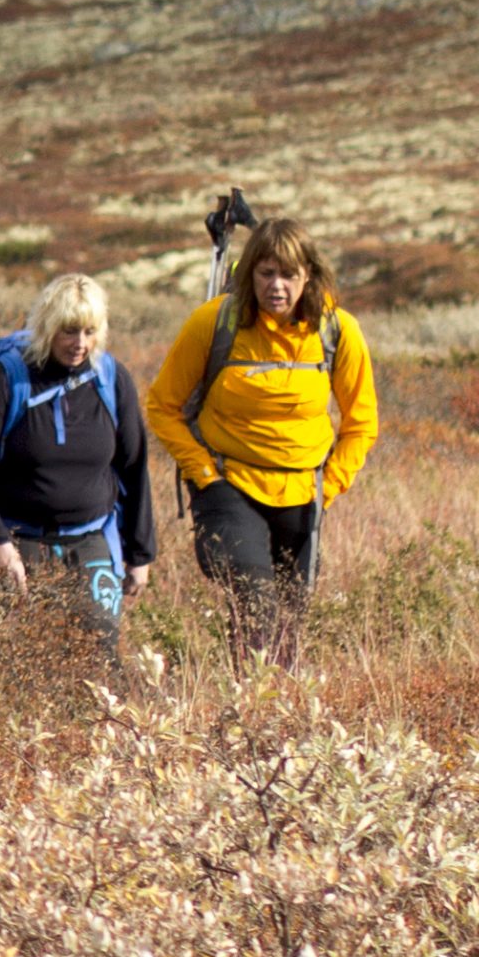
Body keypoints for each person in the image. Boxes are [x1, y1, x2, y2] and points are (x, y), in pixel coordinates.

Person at [143, 217, 377, 662]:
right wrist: (204, 474)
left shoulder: (337, 331)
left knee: (292, 613)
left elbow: (362, 422)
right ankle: (253, 699)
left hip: (303, 491)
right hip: (228, 485)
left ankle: (276, 711)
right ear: (249, 273)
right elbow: (162, 406)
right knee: (254, 599)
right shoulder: (214, 323)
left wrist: (328, 486)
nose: (277, 286)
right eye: (266, 273)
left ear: (309, 276)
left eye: (289, 275)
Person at [0, 273, 156, 637]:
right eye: (69, 331)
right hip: (17, 542)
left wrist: (140, 554)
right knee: (15, 661)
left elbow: (133, 467)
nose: (80, 343)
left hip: (91, 538)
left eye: (90, 332)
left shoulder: (112, 379)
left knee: (99, 652)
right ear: (47, 327)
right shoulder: (7, 379)